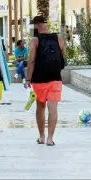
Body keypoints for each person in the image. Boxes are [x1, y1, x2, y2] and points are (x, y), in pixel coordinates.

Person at [25, 15, 66, 146]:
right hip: (55, 78)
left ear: (37, 25)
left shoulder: (35, 40)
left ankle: (41, 136)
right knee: (53, 108)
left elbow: (31, 60)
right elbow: (64, 57)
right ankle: (50, 139)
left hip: (39, 79)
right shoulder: (58, 38)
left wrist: (28, 78)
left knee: (40, 107)